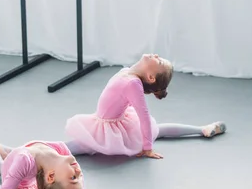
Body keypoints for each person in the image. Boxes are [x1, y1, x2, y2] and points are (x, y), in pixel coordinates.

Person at [64, 54, 226, 159]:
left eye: (159, 60)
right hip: (108, 120)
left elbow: (144, 116)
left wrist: (147, 147)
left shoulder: (133, 83)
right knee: (159, 130)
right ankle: (202, 129)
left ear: (150, 76)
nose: (156, 55)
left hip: (110, 127)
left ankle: (203, 129)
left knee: (80, 146)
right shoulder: (127, 71)